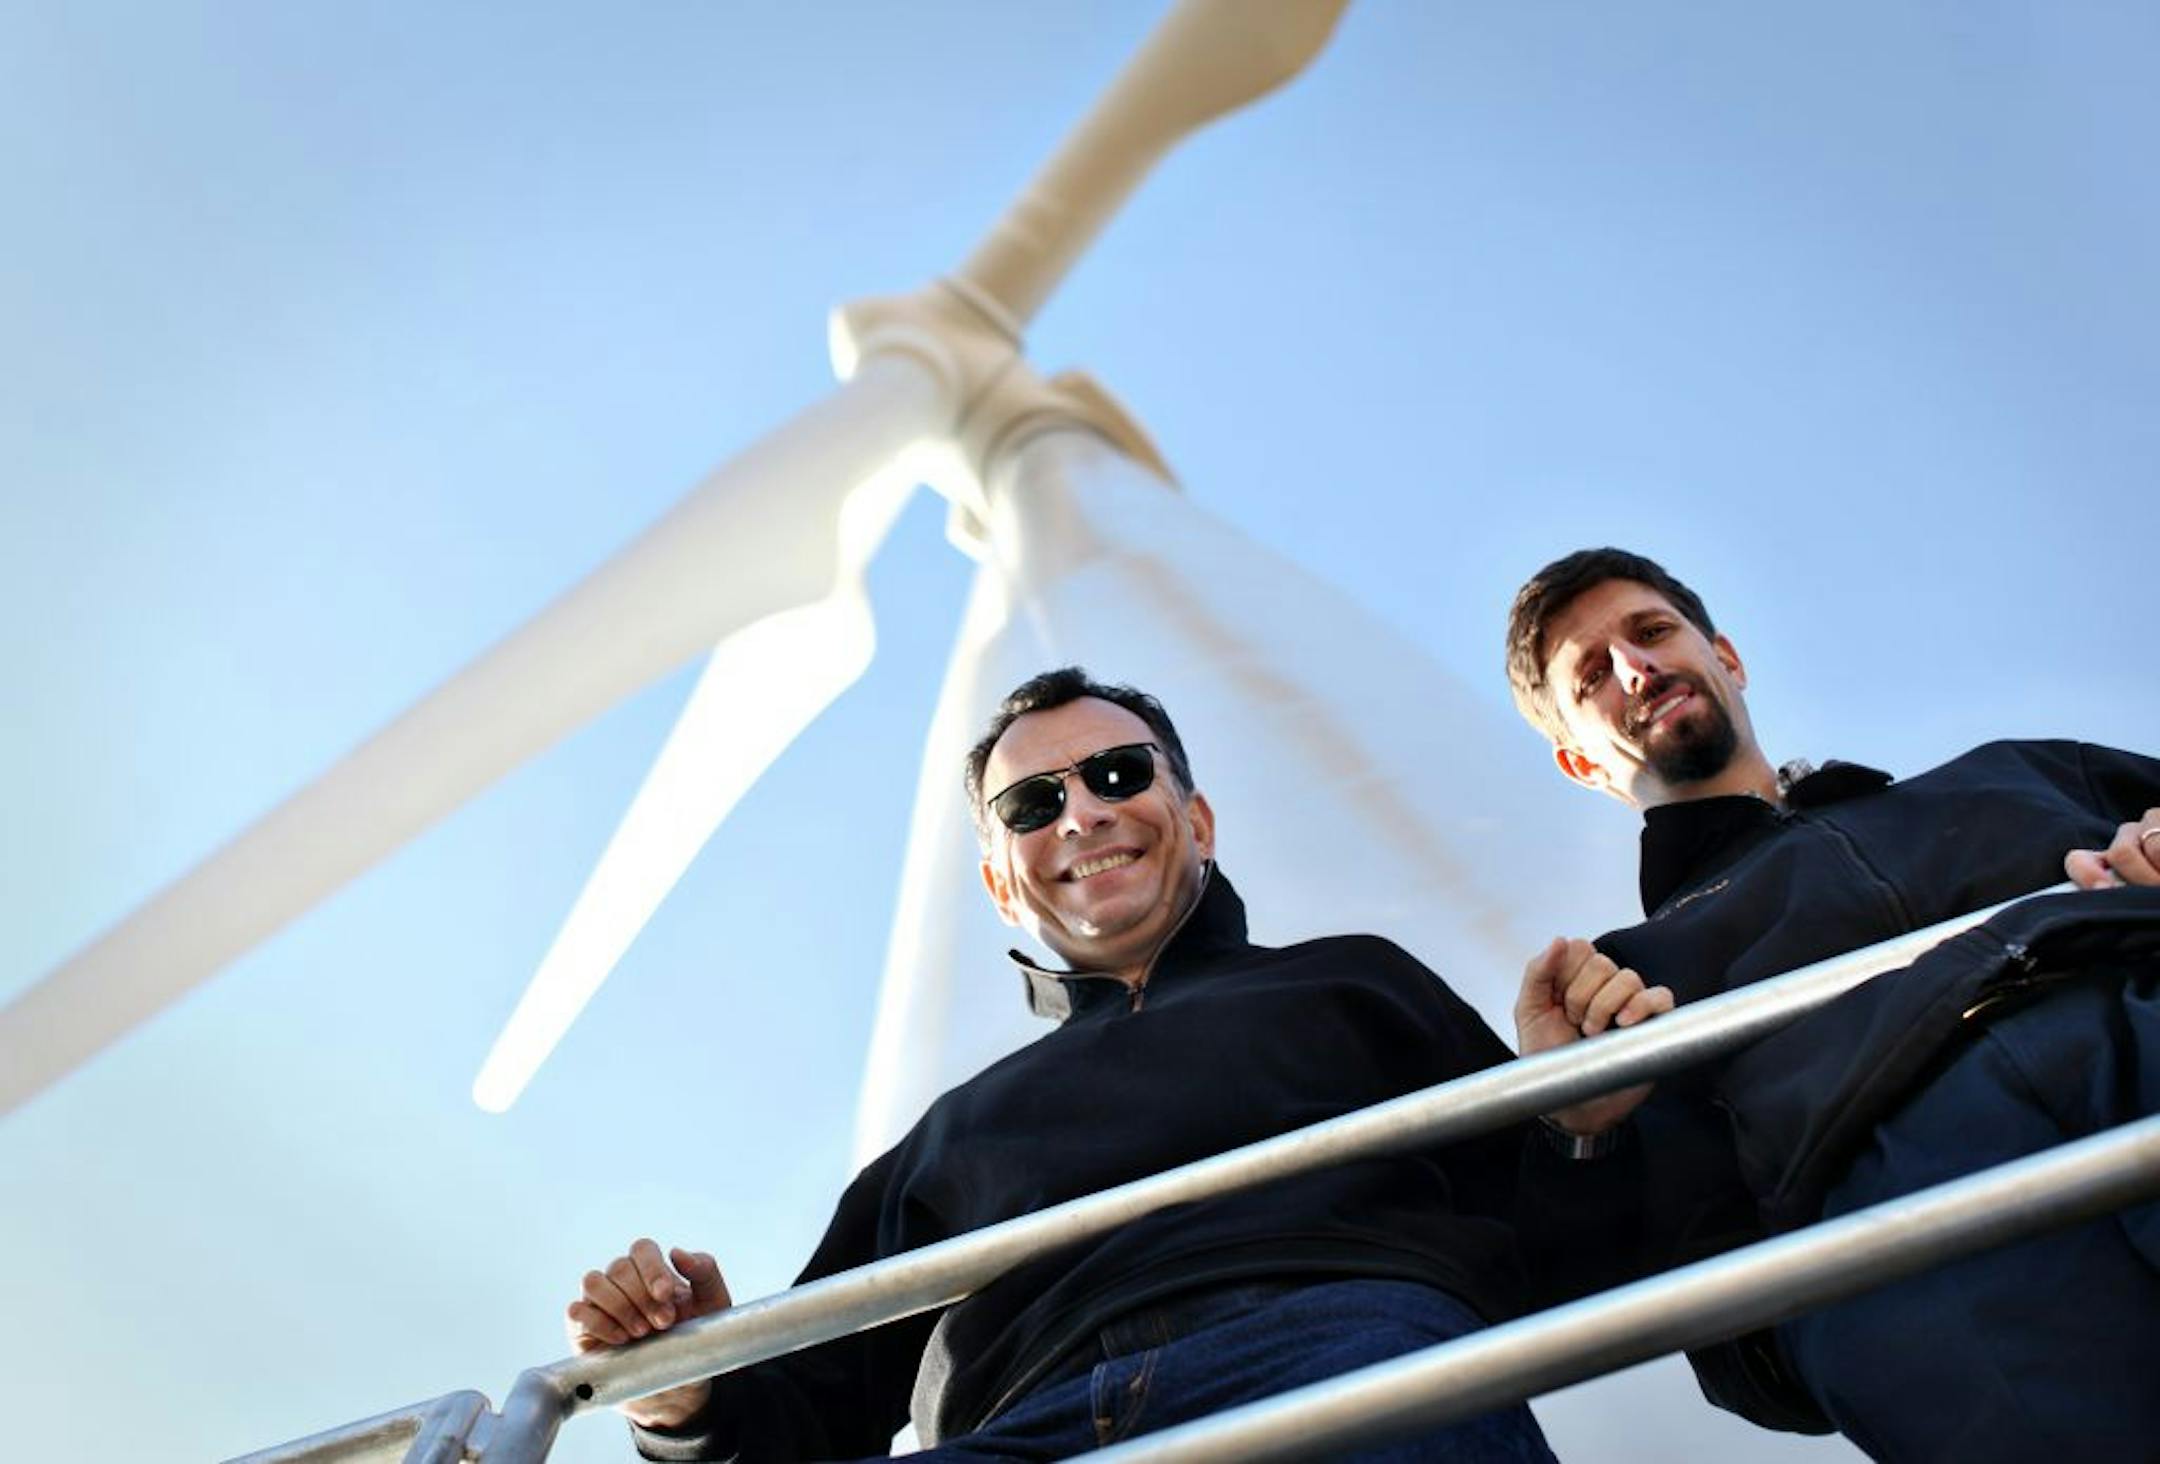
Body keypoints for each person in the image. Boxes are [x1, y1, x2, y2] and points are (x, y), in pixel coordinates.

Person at [565, 667, 1659, 1462]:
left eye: (1116, 774)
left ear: (1198, 819)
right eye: (1032, 805)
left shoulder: (1356, 983)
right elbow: (808, 1414)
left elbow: (1561, 1245)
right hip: (1019, 1426)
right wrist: (686, 1390)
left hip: (1339, 1358)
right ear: (1002, 882)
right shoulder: (949, 1137)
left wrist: (1578, 1115)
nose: (1081, 814)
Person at [1503, 546, 2160, 1462]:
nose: (1636, 667)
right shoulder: (1624, 990)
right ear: (1581, 762)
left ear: (1726, 657)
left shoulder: (2024, 774)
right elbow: (1704, 1321)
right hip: (1912, 1242)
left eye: (1651, 632)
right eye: (1593, 676)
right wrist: (1580, 1128)